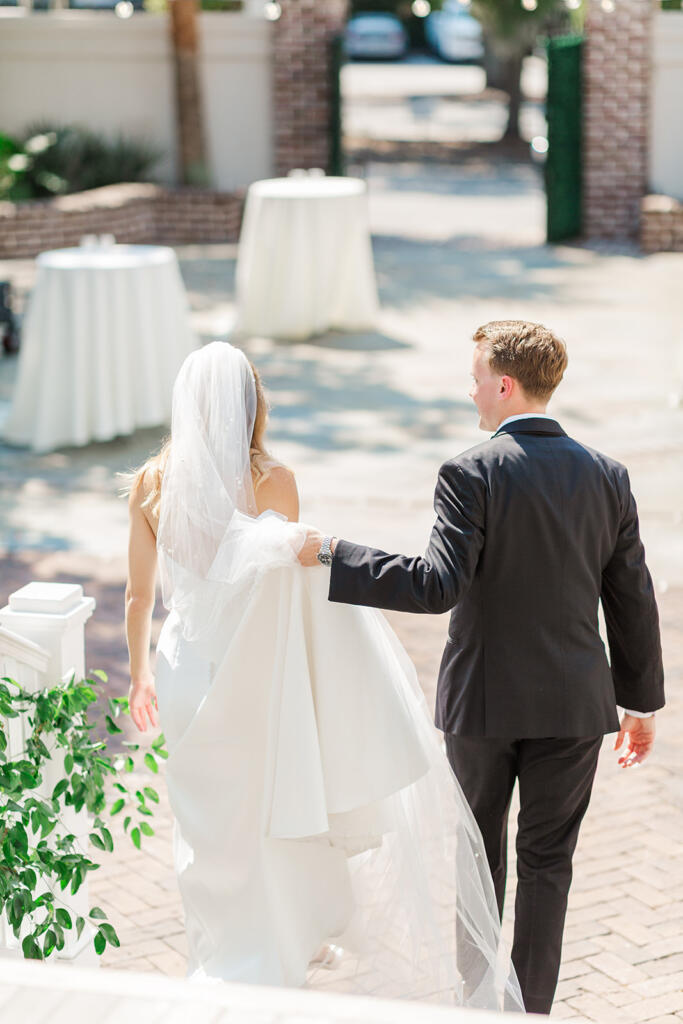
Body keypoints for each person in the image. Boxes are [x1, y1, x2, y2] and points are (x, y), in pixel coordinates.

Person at [124, 341, 523, 1009]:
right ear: (252, 407)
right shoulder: (274, 480)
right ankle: (278, 935)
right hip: (253, 666)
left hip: (185, 666)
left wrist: (140, 673)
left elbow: (140, 597)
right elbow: (284, 588)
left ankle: (219, 941)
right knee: (266, 808)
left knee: (203, 818)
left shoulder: (150, 484)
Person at [297, 320, 665, 1015]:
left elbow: (435, 586)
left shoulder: (469, 472)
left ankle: (474, 1003)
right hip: (573, 707)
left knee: (477, 859)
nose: (470, 391)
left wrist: (331, 552)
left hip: (483, 704)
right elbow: (632, 596)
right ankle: (530, 1012)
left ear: (504, 385)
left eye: (475, 379)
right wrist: (639, 702)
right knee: (548, 864)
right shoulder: (607, 476)